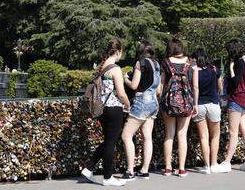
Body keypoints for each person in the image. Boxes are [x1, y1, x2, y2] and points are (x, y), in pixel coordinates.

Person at [81, 39, 131, 186]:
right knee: (111, 143)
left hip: (102, 109)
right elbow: (121, 93)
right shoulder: (115, 69)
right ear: (118, 52)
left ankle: (89, 167)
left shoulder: (102, 68)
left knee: (108, 141)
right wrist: (127, 104)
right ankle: (108, 177)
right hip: (114, 108)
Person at [120, 41, 162, 181]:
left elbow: (134, 85)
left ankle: (130, 171)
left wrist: (125, 78)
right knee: (147, 137)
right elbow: (159, 90)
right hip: (154, 103)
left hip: (142, 101)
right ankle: (144, 170)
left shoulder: (140, 63)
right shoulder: (156, 64)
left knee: (126, 135)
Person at [160, 38, 199, 177]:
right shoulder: (192, 63)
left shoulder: (165, 62)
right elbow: (195, 86)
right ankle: (182, 168)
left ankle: (168, 168)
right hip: (186, 102)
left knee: (169, 134)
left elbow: (162, 84)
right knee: (182, 135)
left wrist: (161, 100)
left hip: (169, 103)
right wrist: (195, 103)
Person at [214, 39, 245, 173]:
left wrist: (230, 69)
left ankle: (227, 162)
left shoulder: (238, 62)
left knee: (233, 132)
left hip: (236, 98)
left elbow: (235, 81)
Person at [191, 48, 222, 174]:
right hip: (214, 104)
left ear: (196, 59)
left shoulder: (194, 71)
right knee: (215, 136)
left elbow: (195, 88)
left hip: (200, 105)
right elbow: (220, 87)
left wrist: (195, 104)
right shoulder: (215, 69)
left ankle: (207, 166)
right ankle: (214, 164)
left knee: (204, 137)